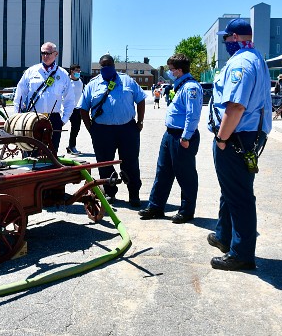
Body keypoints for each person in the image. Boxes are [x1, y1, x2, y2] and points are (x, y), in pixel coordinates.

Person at [207, 18, 272, 271]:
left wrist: (222, 138)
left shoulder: (242, 63)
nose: (224, 42)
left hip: (236, 136)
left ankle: (242, 253)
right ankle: (224, 235)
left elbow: (235, 106)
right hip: (246, 135)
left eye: (226, 38)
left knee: (240, 195)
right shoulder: (255, 57)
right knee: (231, 189)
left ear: (235, 37)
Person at [139, 54, 202, 223]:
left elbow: (193, 115)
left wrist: (186, 137)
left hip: (182, 136)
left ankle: (187, 211)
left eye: (172, 69)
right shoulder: (180, 85)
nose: (170, 72)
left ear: (179, 70)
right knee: (163, 171)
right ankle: (156, 207)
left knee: (185, 174)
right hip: (170, 134)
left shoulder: (191, 88)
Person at [79, 54, 146, 207]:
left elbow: (140, 100)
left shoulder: (128, 81)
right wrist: (91, 128)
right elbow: (83, 108)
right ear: (100, 67)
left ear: (114, 65)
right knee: (105, 163)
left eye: (109, 64)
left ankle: (134, 194)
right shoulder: (92, 85)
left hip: (127, 129)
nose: (106, 68)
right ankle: (110, 192)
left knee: (130, 162)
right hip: (102, 131)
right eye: (103, 65)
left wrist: (140, 122)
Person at [13, 42, 74, 154]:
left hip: (54, 119)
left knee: (51, 153)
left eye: (48, 53)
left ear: (56, 54)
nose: (45, 56)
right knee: (30, 153)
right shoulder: (31, 72)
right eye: (43, 53)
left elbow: (70, 99)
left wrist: (63, 120)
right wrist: (18, 116)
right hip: (32, 119)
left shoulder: (63, 74)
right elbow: (20, 94)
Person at [66, 64, 84, 155]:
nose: (78, 72)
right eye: (76, 70)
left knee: (76, 128)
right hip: (65, 108)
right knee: (56, 128)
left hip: (76, 109)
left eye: (79, 71)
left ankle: (71, 146)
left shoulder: (80, 81)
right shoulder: (66, 81)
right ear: (71, 71)